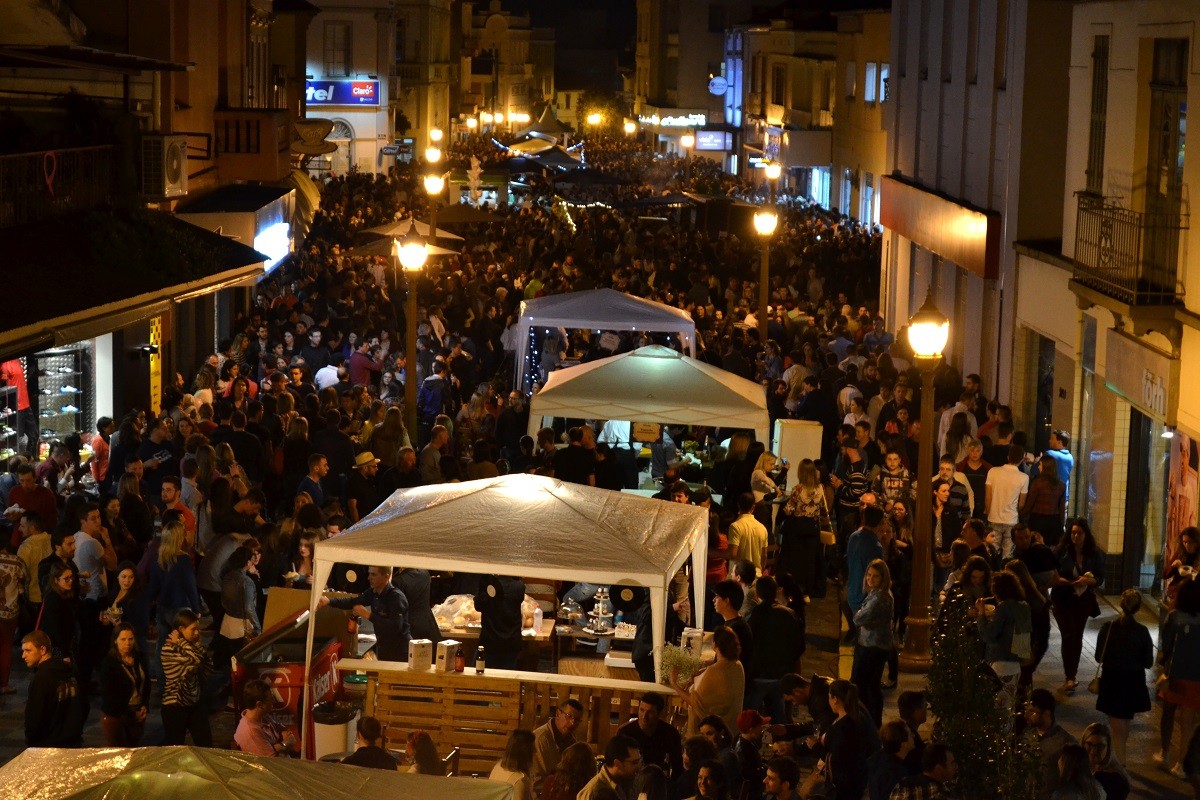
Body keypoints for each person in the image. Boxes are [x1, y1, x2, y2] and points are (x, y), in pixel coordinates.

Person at [1093, 588, 1152, 763]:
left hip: (1112, 678)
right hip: (1134, 680)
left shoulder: (1109, 627)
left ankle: (1120, 761)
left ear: (1121, 604)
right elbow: (1148, 662)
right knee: (1125, 720)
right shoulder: (1142, 631)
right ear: (1138, 608)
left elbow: (1099, 656)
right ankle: (1121, 757)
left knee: (1116, 722)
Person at [1050, 518, 1105, 695]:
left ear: (1086, 534)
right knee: (1068, 634)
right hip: (1062, 598)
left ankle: (1071, 675)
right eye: (1073, 533)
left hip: (1083, 600)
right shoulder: (1062, 551)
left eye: (1079, 533)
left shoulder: (1094, 553)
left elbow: (1100, 578)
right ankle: (1070, 676)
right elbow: (1051, 573)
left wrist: (1089, 581)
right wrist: (1064, 581)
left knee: (1077, 635)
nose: (1075, 536)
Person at [318, 565, 411, 662]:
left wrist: (368, 615)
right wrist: (329, 601)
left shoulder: (396, 597)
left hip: (400, 651)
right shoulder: (373, 593)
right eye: (369, 573)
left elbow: (395, 627)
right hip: (384, 649)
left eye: (373, 574)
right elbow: (352, 601)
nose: (369, 578)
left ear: (386, 576)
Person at [672, 626, 746, 737]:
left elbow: (694, 702)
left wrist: (674, 683)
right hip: (733, 728)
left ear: (715, 645)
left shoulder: (715, 671)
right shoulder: (738, 665)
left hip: (714, 732)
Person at [1158, 578, 1200, 774]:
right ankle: (1181, 764)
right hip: (1196, 676)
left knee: (1167, 714)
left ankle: (1165, 752)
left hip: (1174, 673)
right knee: (1187, 724)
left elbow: (1165, 645)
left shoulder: (1174, 617)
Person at [777, 460, 833, 600]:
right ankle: (807, 592)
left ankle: (792, 589)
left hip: (797, 528)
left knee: (794, 560)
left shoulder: (798, 489)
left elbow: (789, 509)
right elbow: (822, 507)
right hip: (812, 527)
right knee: (810, 560)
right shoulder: (820, 488)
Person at [978, 569, 1031, 714]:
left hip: (1000, 662)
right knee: (1008, 707)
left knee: (998, 709)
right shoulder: (1024, 606)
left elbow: (988, 635)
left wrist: (981, 614)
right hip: (1016, 663)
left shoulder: (1004, 607)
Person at [21, 630, 83, 747]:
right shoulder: (70, 670)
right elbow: (83, 704)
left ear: (42, 650)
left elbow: (35, 716)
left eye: (28, 650)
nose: (23, 656)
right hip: (73, 741)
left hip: (48, 744)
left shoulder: (41, 678)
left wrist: (31, 741)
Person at [160, 607, 212, 746]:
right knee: (176, 748)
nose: (197, 633)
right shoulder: (169, 648)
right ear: (181, 629)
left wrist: (196, 646)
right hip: (175, 705)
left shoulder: (190, 647)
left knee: (206, 745)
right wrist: (181, 643)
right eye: (193, 629)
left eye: (198, 629)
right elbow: (196, 660)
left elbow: (208, 666)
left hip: (194, 701)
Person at [852, 558, 894, 728]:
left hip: (872, 647)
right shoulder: (879, 594)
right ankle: (872, 722)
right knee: (872, 686)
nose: (870, 579)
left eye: (875, 576)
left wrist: (859, 613)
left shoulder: (879, 598)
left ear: (883, 578)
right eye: (868, 575)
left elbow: (858, 618)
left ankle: (867, 722)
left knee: (863, 686)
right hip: (876, 645)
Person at [97, 623, 149, 746]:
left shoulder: (139, 658)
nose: (127, 643)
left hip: (137, 711)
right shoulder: (109, 663)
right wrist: (131, 714)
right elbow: (109, 696)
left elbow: (146, 684)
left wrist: (145, 705)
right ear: (115, 640)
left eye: (130, 639)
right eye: (123, 639)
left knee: (134, 749)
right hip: (116, 716)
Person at [821, 679, 870, 800]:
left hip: (845, 784)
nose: (828, 701)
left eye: (829, 697)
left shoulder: (844, 726)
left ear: (835, 699)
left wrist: (815, 747)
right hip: (856, 777)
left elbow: (837, 758)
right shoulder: (854, 716)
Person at [1024, 688, 1076, 800]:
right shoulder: (1027, 735)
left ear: (1047, 714)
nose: (1026, 716)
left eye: (1033, 712)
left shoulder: (1064, 742)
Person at [618, 691, 684, 777]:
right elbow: (618, 764)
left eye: (650, 712)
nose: (644, 716)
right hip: (632, 779)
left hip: (658, 779)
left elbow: (677, 767)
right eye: (641, 710)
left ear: (659, 714)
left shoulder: (670, 733)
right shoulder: (625, 732)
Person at [531, 698, 585, 795]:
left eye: (577, 720)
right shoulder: (541, 739)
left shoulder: (572, 742)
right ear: (558, 714)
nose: (572, 723)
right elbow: (536, 780)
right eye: (569, 716)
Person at [985, 444, 1028, 559]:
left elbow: (988, 497)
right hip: (1011, 519)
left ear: (1008, 457)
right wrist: (1016, 510)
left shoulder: (993, 471)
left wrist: (988, 512)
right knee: (1008, 555)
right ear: (1022, 459)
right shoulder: (1024, 477)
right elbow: (1022, 503)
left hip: (994, 517)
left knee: (991, 552)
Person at [234, 677, 297, 756]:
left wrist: (277, 747)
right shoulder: (251, 732)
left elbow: (289, 735)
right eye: (271, 699)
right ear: (259, 704)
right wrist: (284, 744)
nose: (274, 701)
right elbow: (271, 761)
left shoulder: (263, 717)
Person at [475, 574, 526, 670]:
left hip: (490, 640)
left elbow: (478, 606)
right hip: (512, 641)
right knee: (509, 675)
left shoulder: (487, 586)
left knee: (484, 672)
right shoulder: (519, 587)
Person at [579, 734, 643, 800]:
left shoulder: (627, 782)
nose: (639, 767)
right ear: (617, 764)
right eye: (635, 762)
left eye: (640, 761)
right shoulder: (593, 793)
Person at [1022, 454, 1066, 549]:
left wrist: (1021, 514)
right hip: (1054, 521)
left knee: (1036, 548)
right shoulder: (1061, 485)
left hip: (1038, 520)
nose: (1038, 467)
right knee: (1052, 549)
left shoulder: (1037, 483)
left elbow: (1030, 504)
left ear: (1045, 467)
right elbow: (1061, 508)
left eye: (1040, 464)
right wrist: (1061, 524)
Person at [887, 743, 959, 800]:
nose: (956, 767)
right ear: (939, 769)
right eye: (952, 763)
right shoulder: (941, 795)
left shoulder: (903, 785)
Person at [1081, 722, 1130, 800]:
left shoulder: (1115, 780)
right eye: (1089, 744)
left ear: (1108, 749)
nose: (1093, 751)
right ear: (1083, 744)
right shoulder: (1081, 768)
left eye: (1100, 746)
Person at [867, 720, 913, 800]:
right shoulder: (896, 773)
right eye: (910, 735)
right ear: (903, 744)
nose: (914, 735)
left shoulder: (878, 758)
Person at [490, 728, 536, 800]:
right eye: (533, 748)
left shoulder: (497, 768)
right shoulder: (520, 781)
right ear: (525, 753)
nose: (535, 751)